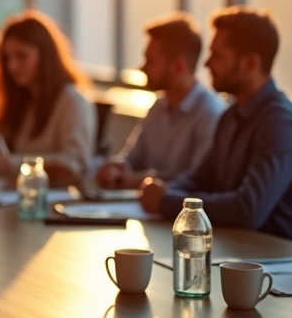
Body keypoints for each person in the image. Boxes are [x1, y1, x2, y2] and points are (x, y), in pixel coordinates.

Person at [138, 6, 292, 240]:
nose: (206, 64)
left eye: (218, 56)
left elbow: (247, 209)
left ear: (250, 64)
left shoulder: (281, 125)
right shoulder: (231, 115)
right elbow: (200, 177)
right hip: (231, 247)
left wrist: (168, 202)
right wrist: (165, 190)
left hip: (267, 263)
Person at [0, 11, 96, 184]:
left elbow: (73, 163)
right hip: (20, 194)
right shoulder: (23, 99)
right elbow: (6, 151)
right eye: (7, 58)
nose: (12, 66)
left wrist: (12, 164)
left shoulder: (72, 100)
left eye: (21, 56)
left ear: (44, 56)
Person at [95, 14, 226, 189]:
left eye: (151, 61)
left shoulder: (210, 113)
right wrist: (116, 167)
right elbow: (133, 157)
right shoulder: (158, 105)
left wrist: (132, 180)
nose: (141, 67)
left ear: (178, 67)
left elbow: (197, 180)